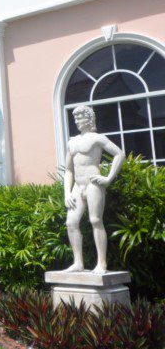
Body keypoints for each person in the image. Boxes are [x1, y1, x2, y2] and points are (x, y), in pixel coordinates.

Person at [63, 105, 125, 274]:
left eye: (80, 117)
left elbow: (119, 154)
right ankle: (78, 262)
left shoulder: (97, 138)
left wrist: (108, 178)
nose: (77, 121)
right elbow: (68, 169)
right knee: (71, 222)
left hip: (93, 183)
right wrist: (67, 193)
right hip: (77, 185)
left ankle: (101, 263)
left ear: (89, 119)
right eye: (75, 118)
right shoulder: (72, 142)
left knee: (95, 220)